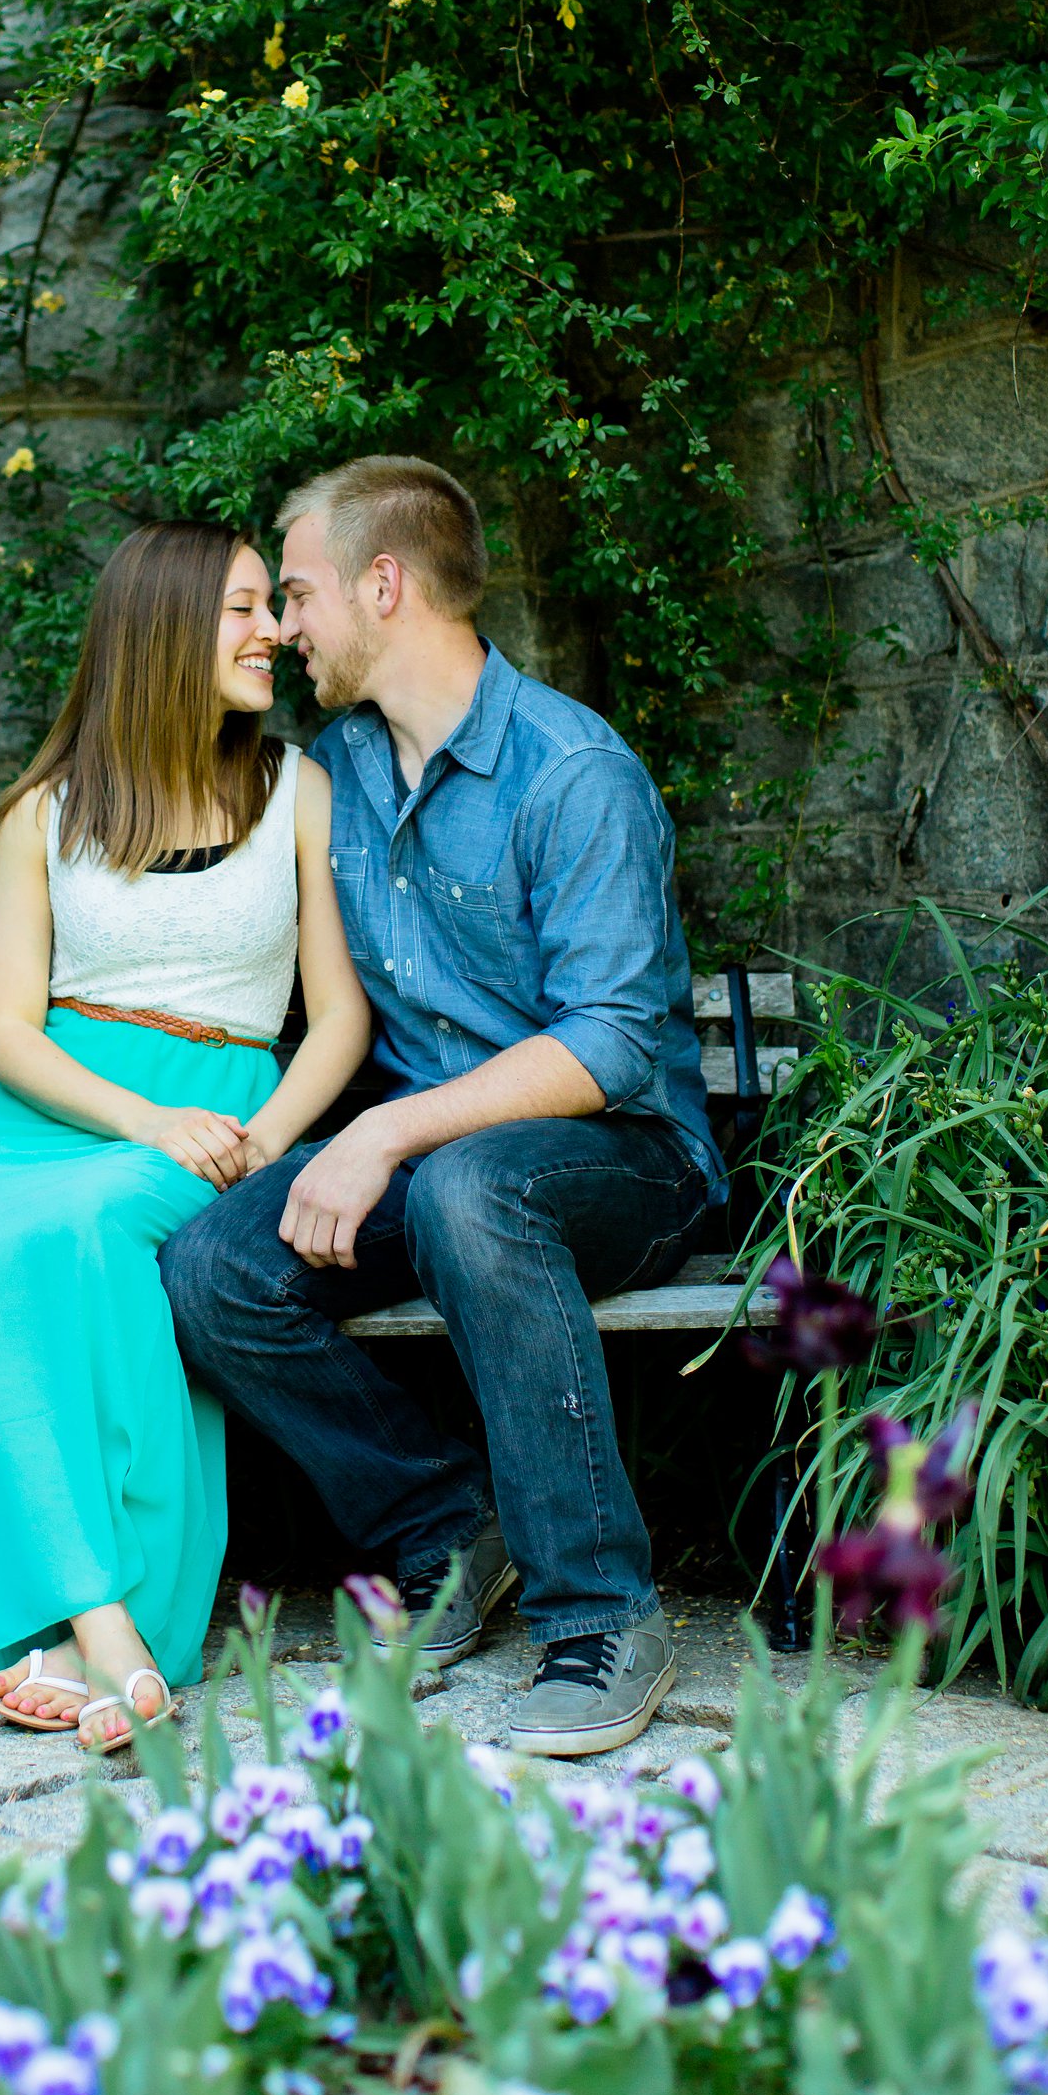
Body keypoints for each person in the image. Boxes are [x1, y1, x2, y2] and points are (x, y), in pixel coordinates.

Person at [161, 456, 725, 1759]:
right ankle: (447, 1533)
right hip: (448, 1166)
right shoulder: (341, 769)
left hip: (627, 1161)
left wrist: (381, 1130)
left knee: (479, 1187)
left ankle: (600, 1610)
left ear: (383, 583)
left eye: (295, 592)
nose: (286, 626)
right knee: (213, 1266)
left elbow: (611, 1044)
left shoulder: (571, 771)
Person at [0, 520, 372, 1751]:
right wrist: (140, 1118)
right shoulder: (43, 812)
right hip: (43, 1117)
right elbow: (4, 1027)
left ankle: (93, 1628)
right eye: (242, 608)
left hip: (220, 1121)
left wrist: (261, 1136)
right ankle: (108, 1628)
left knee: (97, 1228)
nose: (272, 631)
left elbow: (337, 1017)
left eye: (274, 605)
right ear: (163, 628)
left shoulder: (297, 792)